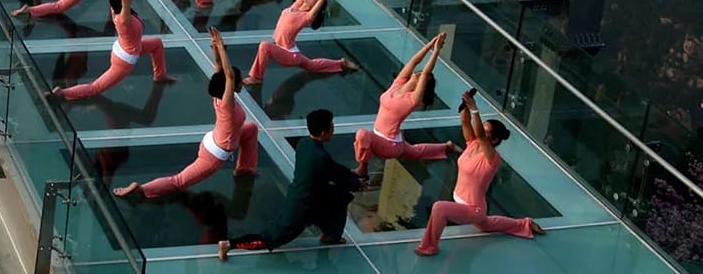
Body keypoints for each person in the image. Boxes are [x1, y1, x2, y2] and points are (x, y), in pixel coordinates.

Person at [112, 27, 250, 194]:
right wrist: (220, 47)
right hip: (214, 155)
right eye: (240, 81)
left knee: (251, 129)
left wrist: (217, 49)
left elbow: (220, 71)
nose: (242, 83)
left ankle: (245, 167)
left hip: (215, 139)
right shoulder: (227, 106)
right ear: (232, 86)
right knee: (179, 181)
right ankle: (140, 189)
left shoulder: (220, 97)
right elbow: (229, 76)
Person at [413, 91, 545, 256]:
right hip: (463, 201)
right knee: (487, 224)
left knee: (440, 208)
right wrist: (466, 105)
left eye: (486, 131)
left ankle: (430, 246)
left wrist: (474, 108)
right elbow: (465, 121)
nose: (481, 131)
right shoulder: (472, 144)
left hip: (473, 208)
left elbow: (481, 135)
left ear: (494, 140)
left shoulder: (493, 158)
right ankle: (524, 224)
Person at [220, 109, 361, 258]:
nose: (333, 130)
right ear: (323, 133)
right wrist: (357, 184)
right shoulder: (320, 157)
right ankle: (229, 244)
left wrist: (352, 173)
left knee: (339, 200)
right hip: (302, 206)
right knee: (271, 238)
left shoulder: (305, 143)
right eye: (331, 127)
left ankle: (331, 236)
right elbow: (335, 174)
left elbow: (332, 168)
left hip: (314, 199)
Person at [55, 0, 172, 100]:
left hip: (129, 46)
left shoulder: (115, 9)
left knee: (156, 43)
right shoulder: (124, 19)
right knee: (95, 88)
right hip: (124, 59)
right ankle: (63, 93)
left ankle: (160, 75)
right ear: (122, 3)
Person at [355, 32, 458, 176]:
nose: (419, 73)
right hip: (388, 137)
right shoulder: (398, 84)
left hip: (390, 144)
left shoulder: (412, 99)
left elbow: (426, 72)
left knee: (362, 134)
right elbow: (414, 61)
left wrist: (437, 51)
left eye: (422, 76)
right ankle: (447, 147)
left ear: (421, 84)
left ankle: (363, 169)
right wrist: (429, 45)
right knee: (416, 151)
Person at [246, 0, 361, 85]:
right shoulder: (295, 6)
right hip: (288, 49)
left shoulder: (307, 16)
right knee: (311, 65)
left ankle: (256, 78)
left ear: (314, 6)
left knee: (264, 46)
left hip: (289, 54)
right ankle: (341, 63)